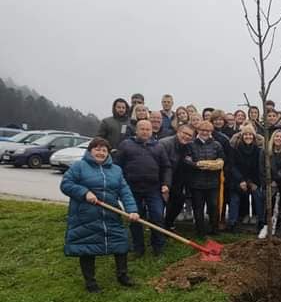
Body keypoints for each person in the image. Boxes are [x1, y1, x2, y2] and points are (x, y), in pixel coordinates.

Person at [61, 137, 140, 292]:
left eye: (104, 150)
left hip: (111, 213)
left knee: (120, 243)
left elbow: (124, 191)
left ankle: (122, 275)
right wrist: (85, 193)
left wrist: (132, 210)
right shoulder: (79, 166)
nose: (100, 153)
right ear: (90, 150)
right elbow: (66, 184)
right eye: (97, 149)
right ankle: (90, 282)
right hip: (86, 215)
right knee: (87, 246)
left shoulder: (116, 170)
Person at [114, 119, 171, 256]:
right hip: (132, 189)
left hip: (153, 189)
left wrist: (166, 183)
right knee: (135, 218)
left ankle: (158, 247)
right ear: (136, 130)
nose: (145, 132)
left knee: (157, 216)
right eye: (142, 129)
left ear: (152, 131)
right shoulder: (126, 145)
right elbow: (116, 166)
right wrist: (119, 185)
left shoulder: (158, 147)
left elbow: (166, 167)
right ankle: (138, 248)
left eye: (148, 129)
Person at [185, 121, 225, 236]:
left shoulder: (216, 145)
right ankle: (200, 231)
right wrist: (196, 165)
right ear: (198, 131)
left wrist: (219, 162)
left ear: (211, 132)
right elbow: (186, 160)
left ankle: (214, 229)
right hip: (196, 182)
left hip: (212, 182)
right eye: (203, 130)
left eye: (208, 131)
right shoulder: (191, 144)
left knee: (213, 206)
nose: (205, 132)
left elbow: (222, 157)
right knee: (198, 207)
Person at [228, 125, 266, 237]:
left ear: (254, 137)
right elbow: (233, 166)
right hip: (238, 180)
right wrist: (241, 180)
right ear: (242, 136)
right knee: (234, 198)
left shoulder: (258, 151)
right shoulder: (235, 149)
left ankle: (261, 222)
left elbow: (258, 168)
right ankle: (232, 223)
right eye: (245, 134)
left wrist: (252, 182)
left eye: (250, 134)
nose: (248, 136)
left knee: (258, 196)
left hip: (253, 180)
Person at [160, 123, 195, 230]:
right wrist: (164, 183)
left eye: (190, 135)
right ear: (178, 132)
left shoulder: (189, 146)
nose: (187, 137)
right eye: (185, 133)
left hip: (178, 180)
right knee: (160, 205)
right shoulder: (164, 143)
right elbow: (161, 165)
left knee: (178, 201)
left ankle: (168, 224)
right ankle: (157, 228)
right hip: (162, 178)